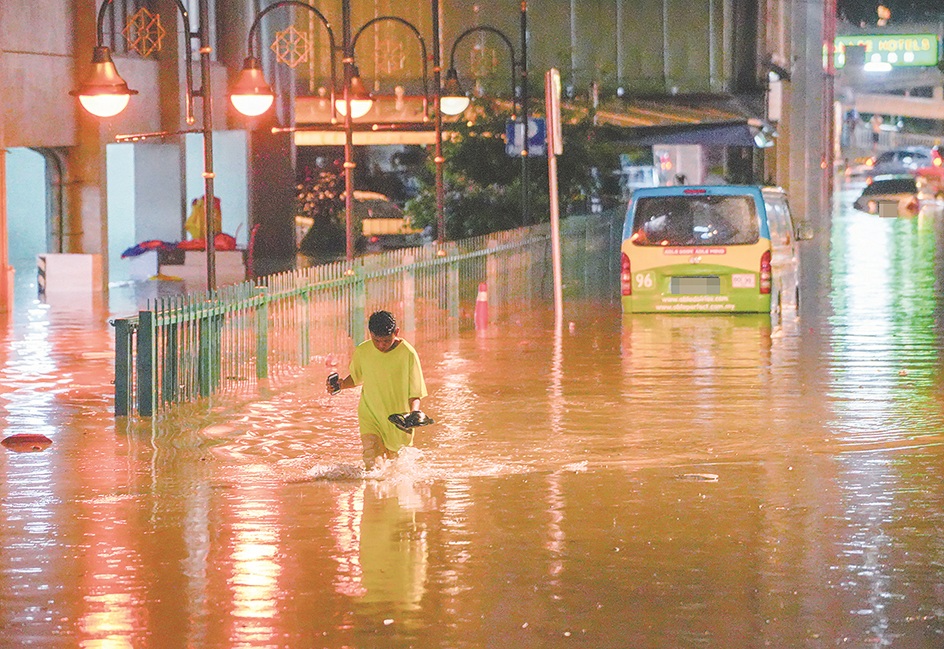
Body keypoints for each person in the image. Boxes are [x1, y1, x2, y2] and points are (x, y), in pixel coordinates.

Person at [327, 310, 428, 470]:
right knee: (373, 466)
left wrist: (414, 413)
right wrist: (340, 385)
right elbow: (356, 377)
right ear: (370, 334)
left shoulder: (408, 353)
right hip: (370, 416)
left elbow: (415, 391)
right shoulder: (363, 351)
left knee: (397, 470)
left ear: (396, 332)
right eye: (376, 340)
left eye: (386, 341)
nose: (381, 345)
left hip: (398, 421)